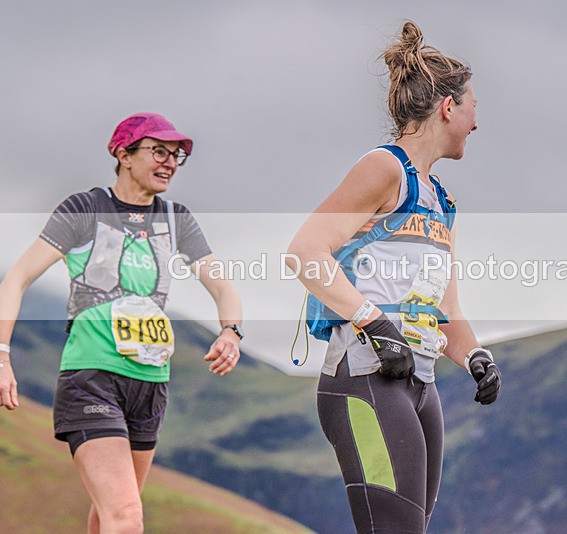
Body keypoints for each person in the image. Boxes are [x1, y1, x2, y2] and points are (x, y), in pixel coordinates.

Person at [287, 21, 501, 533]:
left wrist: (474, 356)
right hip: (364, 377)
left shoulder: (441, 201)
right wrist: (373, 322)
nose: (477, 122)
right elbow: (304, 253)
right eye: (473, 107)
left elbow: (446, 310)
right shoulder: (385, 168)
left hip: (420, 384)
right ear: (448, 107)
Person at [0, 112, 244, 533]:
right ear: (123, 154)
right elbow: (17, 278)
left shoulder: (176, 218)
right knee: (127, 516)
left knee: (108, 514)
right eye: (159, 151)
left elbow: (224, 288)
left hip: (150, 383)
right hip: (92, 378)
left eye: (176, 156)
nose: (170, 162)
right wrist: (2, 355)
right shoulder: (84, 209)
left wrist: (230, 331)